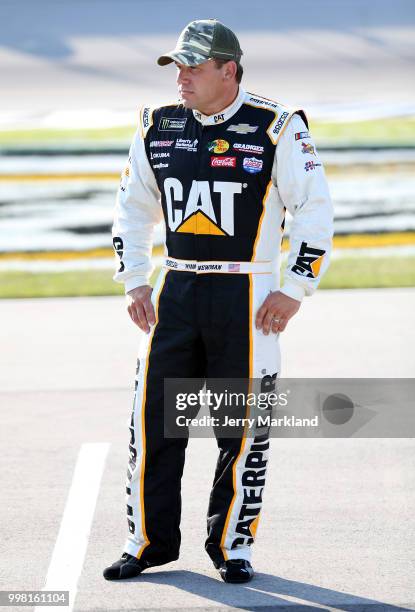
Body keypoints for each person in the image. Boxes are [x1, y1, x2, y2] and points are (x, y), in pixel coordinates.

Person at [104, 18, 333, 583]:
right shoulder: (156, 125)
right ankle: (149, 543)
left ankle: (233, 547)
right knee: (153, 421)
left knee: (243, 429)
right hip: (175, 289)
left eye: (193, 67)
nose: (180, 77)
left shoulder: (277, 125)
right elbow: (132, 208)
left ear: (228, 69)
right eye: (176, 66)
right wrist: (135, 279)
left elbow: (314, 209)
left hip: (249, 293)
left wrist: (294, 287)